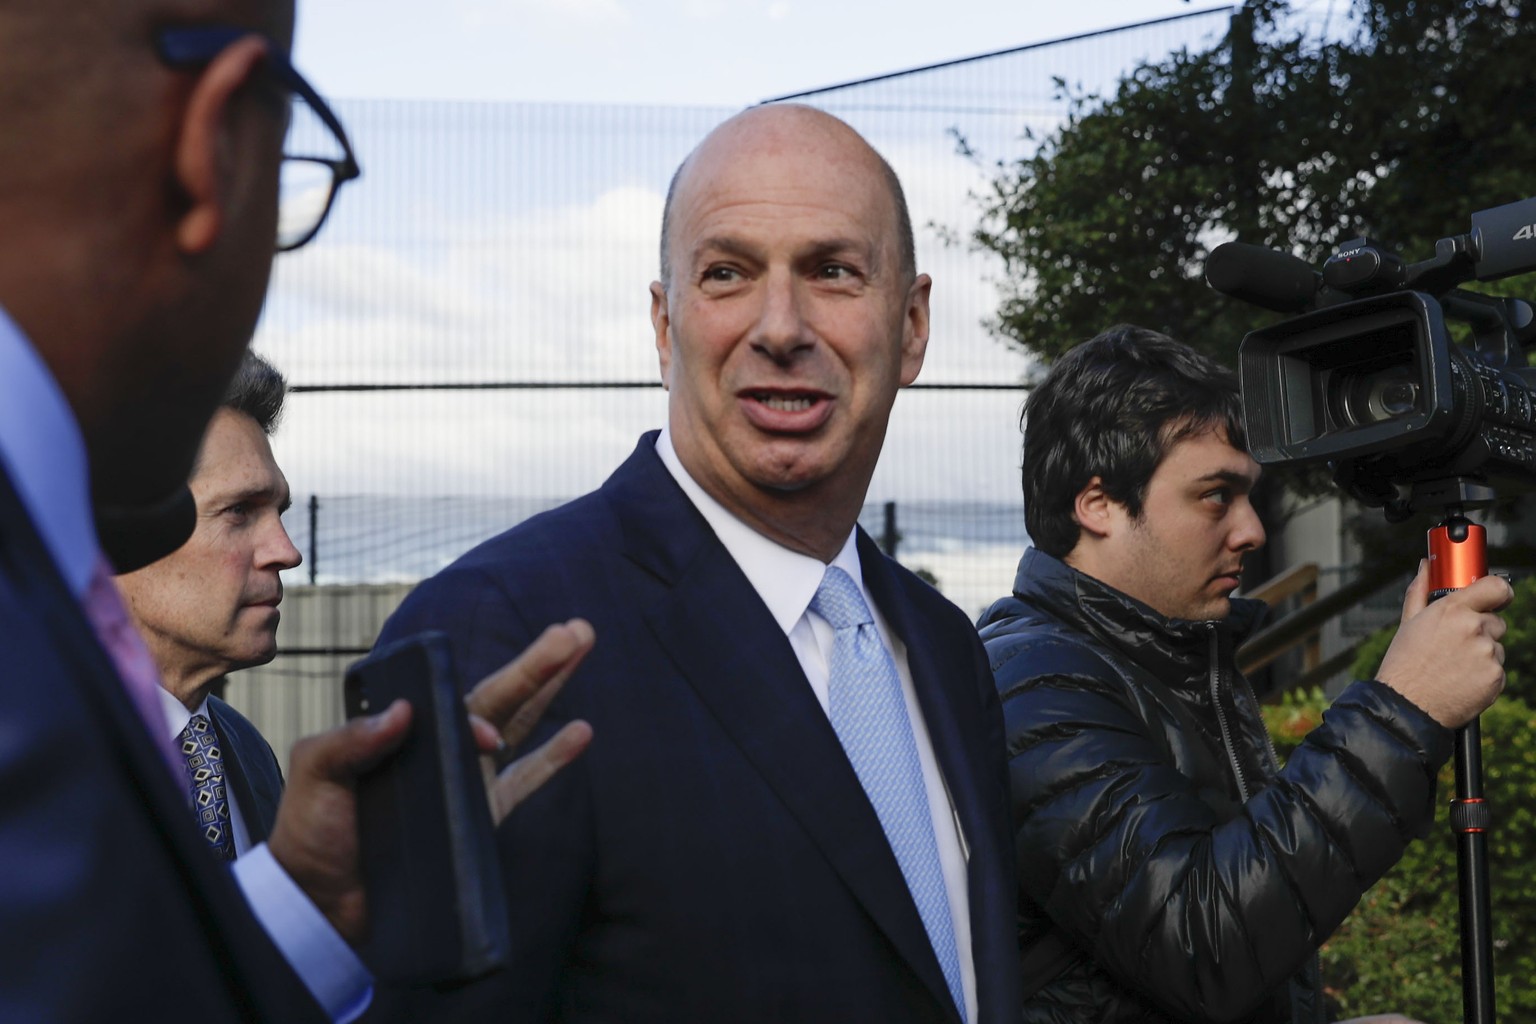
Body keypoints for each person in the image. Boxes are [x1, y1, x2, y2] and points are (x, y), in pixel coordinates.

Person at [0, 3, 591, 1020]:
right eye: (238, 514)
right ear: (212, 149)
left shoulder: (231, 759)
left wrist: (302, 903)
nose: (287, 551)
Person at [377, 103, 1021, 1023]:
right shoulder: (500, 632)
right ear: (664, 322)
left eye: (833, 271)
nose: (781, 325)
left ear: (912, 326)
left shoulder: (947, 651)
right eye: (728, 273)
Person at [976, 325, 1511, 1024]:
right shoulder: (1035, 681)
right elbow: (1200, 945)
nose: (1251, 530)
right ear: (1098, 503)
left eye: (1249, 495)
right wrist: (1401, 709)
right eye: (1215, 496)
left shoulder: (1162, 657)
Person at [116, 351, 300, 856]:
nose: (286, 552)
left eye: (278, 512)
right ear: (121, 528)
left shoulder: (247, 751)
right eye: (240, 511)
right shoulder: (32, 756)